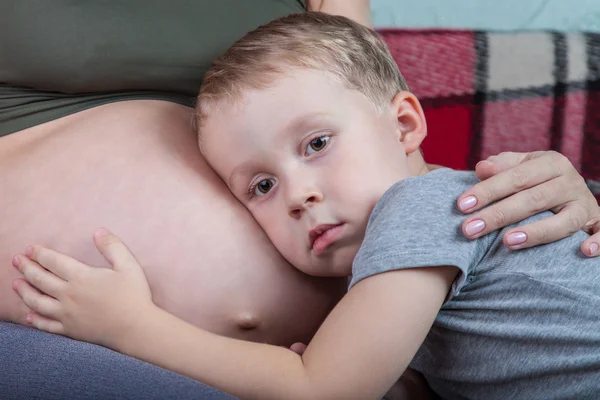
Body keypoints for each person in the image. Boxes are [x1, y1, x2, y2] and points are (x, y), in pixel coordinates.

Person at [11, 12, 600, 400]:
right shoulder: (409, 254)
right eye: (260, 186)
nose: (298, 195)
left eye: (316, 144)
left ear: (404, 124)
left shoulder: (425, 210)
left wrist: (132, 327)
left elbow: (322, 394)